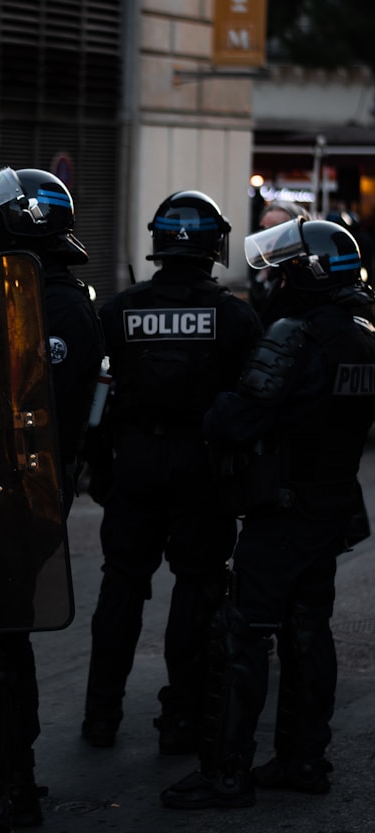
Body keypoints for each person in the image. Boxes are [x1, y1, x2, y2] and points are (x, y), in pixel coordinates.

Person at [160, 217, 375, 811]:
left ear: (305, 273)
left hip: (281, 509)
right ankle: (304, 760)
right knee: (308, 633)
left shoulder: (295, 335)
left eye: (281, 269)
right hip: (330, 504)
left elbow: (236, 419)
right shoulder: (360, 332)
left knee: (243, 637)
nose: (272, 280)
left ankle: (225, 773)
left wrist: (213, 404)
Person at [0, 167, 104, 833]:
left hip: (21, 494)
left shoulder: (57, 303)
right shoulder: (8, 292)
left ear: (26, 220)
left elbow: (41, 412)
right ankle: (12, 788)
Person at [80, 191, 263, 753]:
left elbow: (93, 396)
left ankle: (101, 716)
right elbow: (253, 403)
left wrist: (98, 465)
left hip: (133, 463)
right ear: (215, 246)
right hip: (201, 468)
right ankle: (181, 717)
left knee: (121, 586)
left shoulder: (118, 310)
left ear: (158, 243)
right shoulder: (234, 316)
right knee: (198, 588)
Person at [248, 200, 312, 313]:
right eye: (264, 229)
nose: (267, 237)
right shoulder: (260, 265)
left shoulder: (304, 270)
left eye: (276, 228)